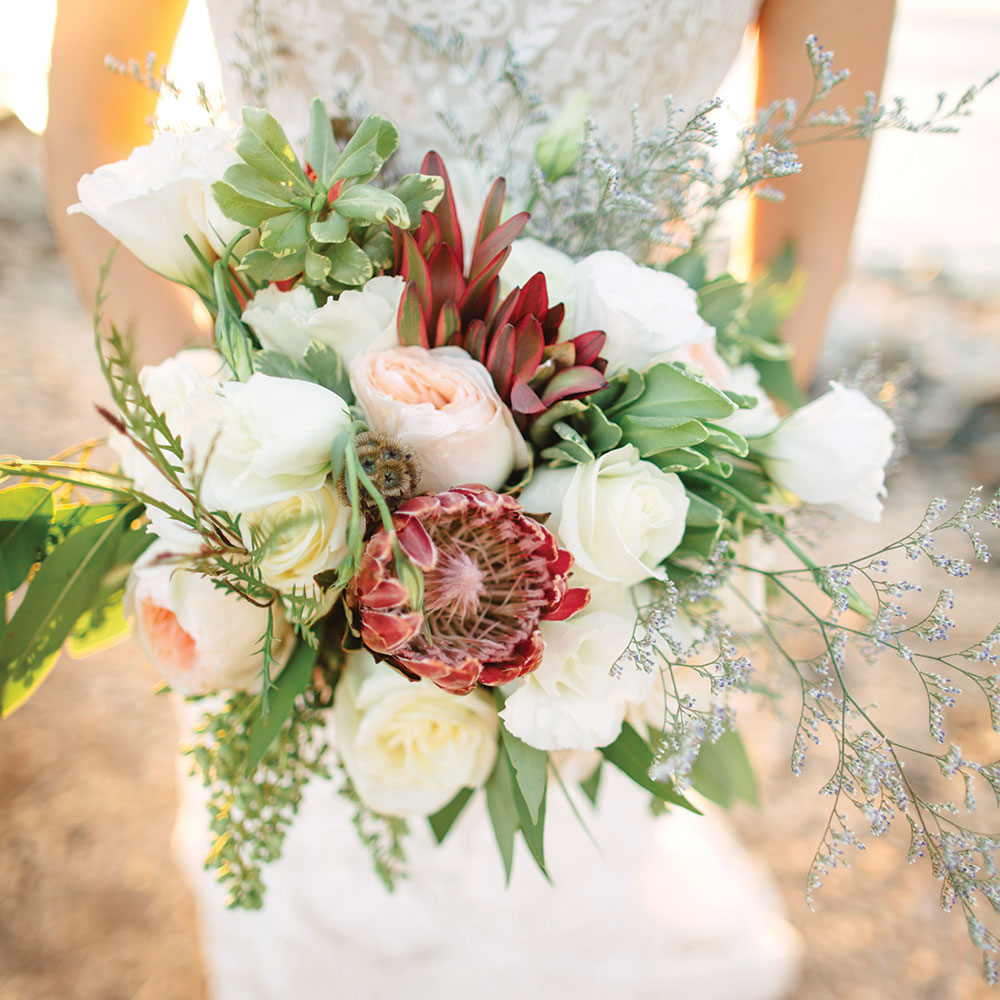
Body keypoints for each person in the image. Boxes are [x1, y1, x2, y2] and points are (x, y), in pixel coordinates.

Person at [44, 3, 895, 998]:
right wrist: (215, 451)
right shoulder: (269, 490)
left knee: (571, 897)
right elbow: (89, 126)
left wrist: (668, 499)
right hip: (291, 531)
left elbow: (798, 263)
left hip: (604, 541)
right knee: (320, 905)